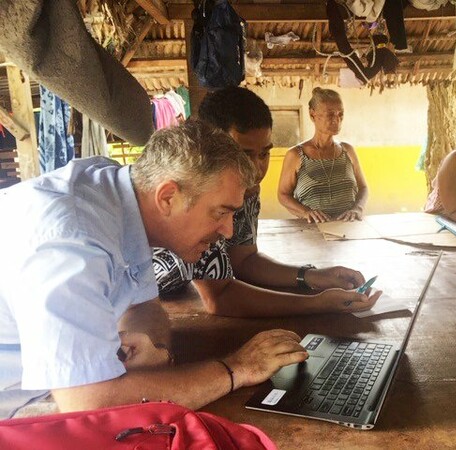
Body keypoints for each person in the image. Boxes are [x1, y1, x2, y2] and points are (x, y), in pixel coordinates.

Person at [0, 119, 310, 419]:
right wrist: (237, 369)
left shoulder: (122, 196)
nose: (228, 231)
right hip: (18, 409)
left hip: (62, 393)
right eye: (220, 213)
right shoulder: (73, 244)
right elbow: (90, 406)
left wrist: (155, 350)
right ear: (168, 197)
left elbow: (144, 306)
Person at [153, 87, 380, 317]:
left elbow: (243, 260)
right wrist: (316, 304)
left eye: (263, 154)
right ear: (211, 148)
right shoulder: (193, 194)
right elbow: (219, 297)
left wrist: (311, 276)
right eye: (244, 154)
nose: (256, 168)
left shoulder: (246, 190)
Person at [278, 87, 369, 223]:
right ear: (312, 115)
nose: (337, 119)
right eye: (330, 114)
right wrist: (305, 212)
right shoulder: (296, 155)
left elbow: (363, 188)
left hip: (348, 229)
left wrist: (357, 208)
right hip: (312, 229)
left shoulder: (348, 151)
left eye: (341, 114)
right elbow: (283, 194)